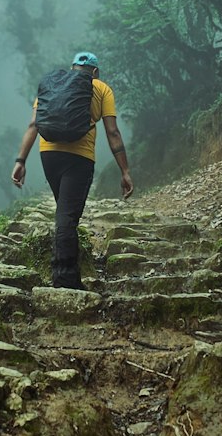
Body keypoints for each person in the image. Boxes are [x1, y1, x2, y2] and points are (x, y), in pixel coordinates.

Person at [11, 50, 133, 289]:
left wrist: (20, 160)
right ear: (95, 72)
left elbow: (33, 124)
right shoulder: (101, 88)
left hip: (49, 155)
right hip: (79, 158)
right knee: (67, 217)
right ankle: (64, 279)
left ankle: (69, 273)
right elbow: (112, 132)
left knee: (65, 213)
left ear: (72, 68)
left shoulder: (54, 86)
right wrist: (125, 171)